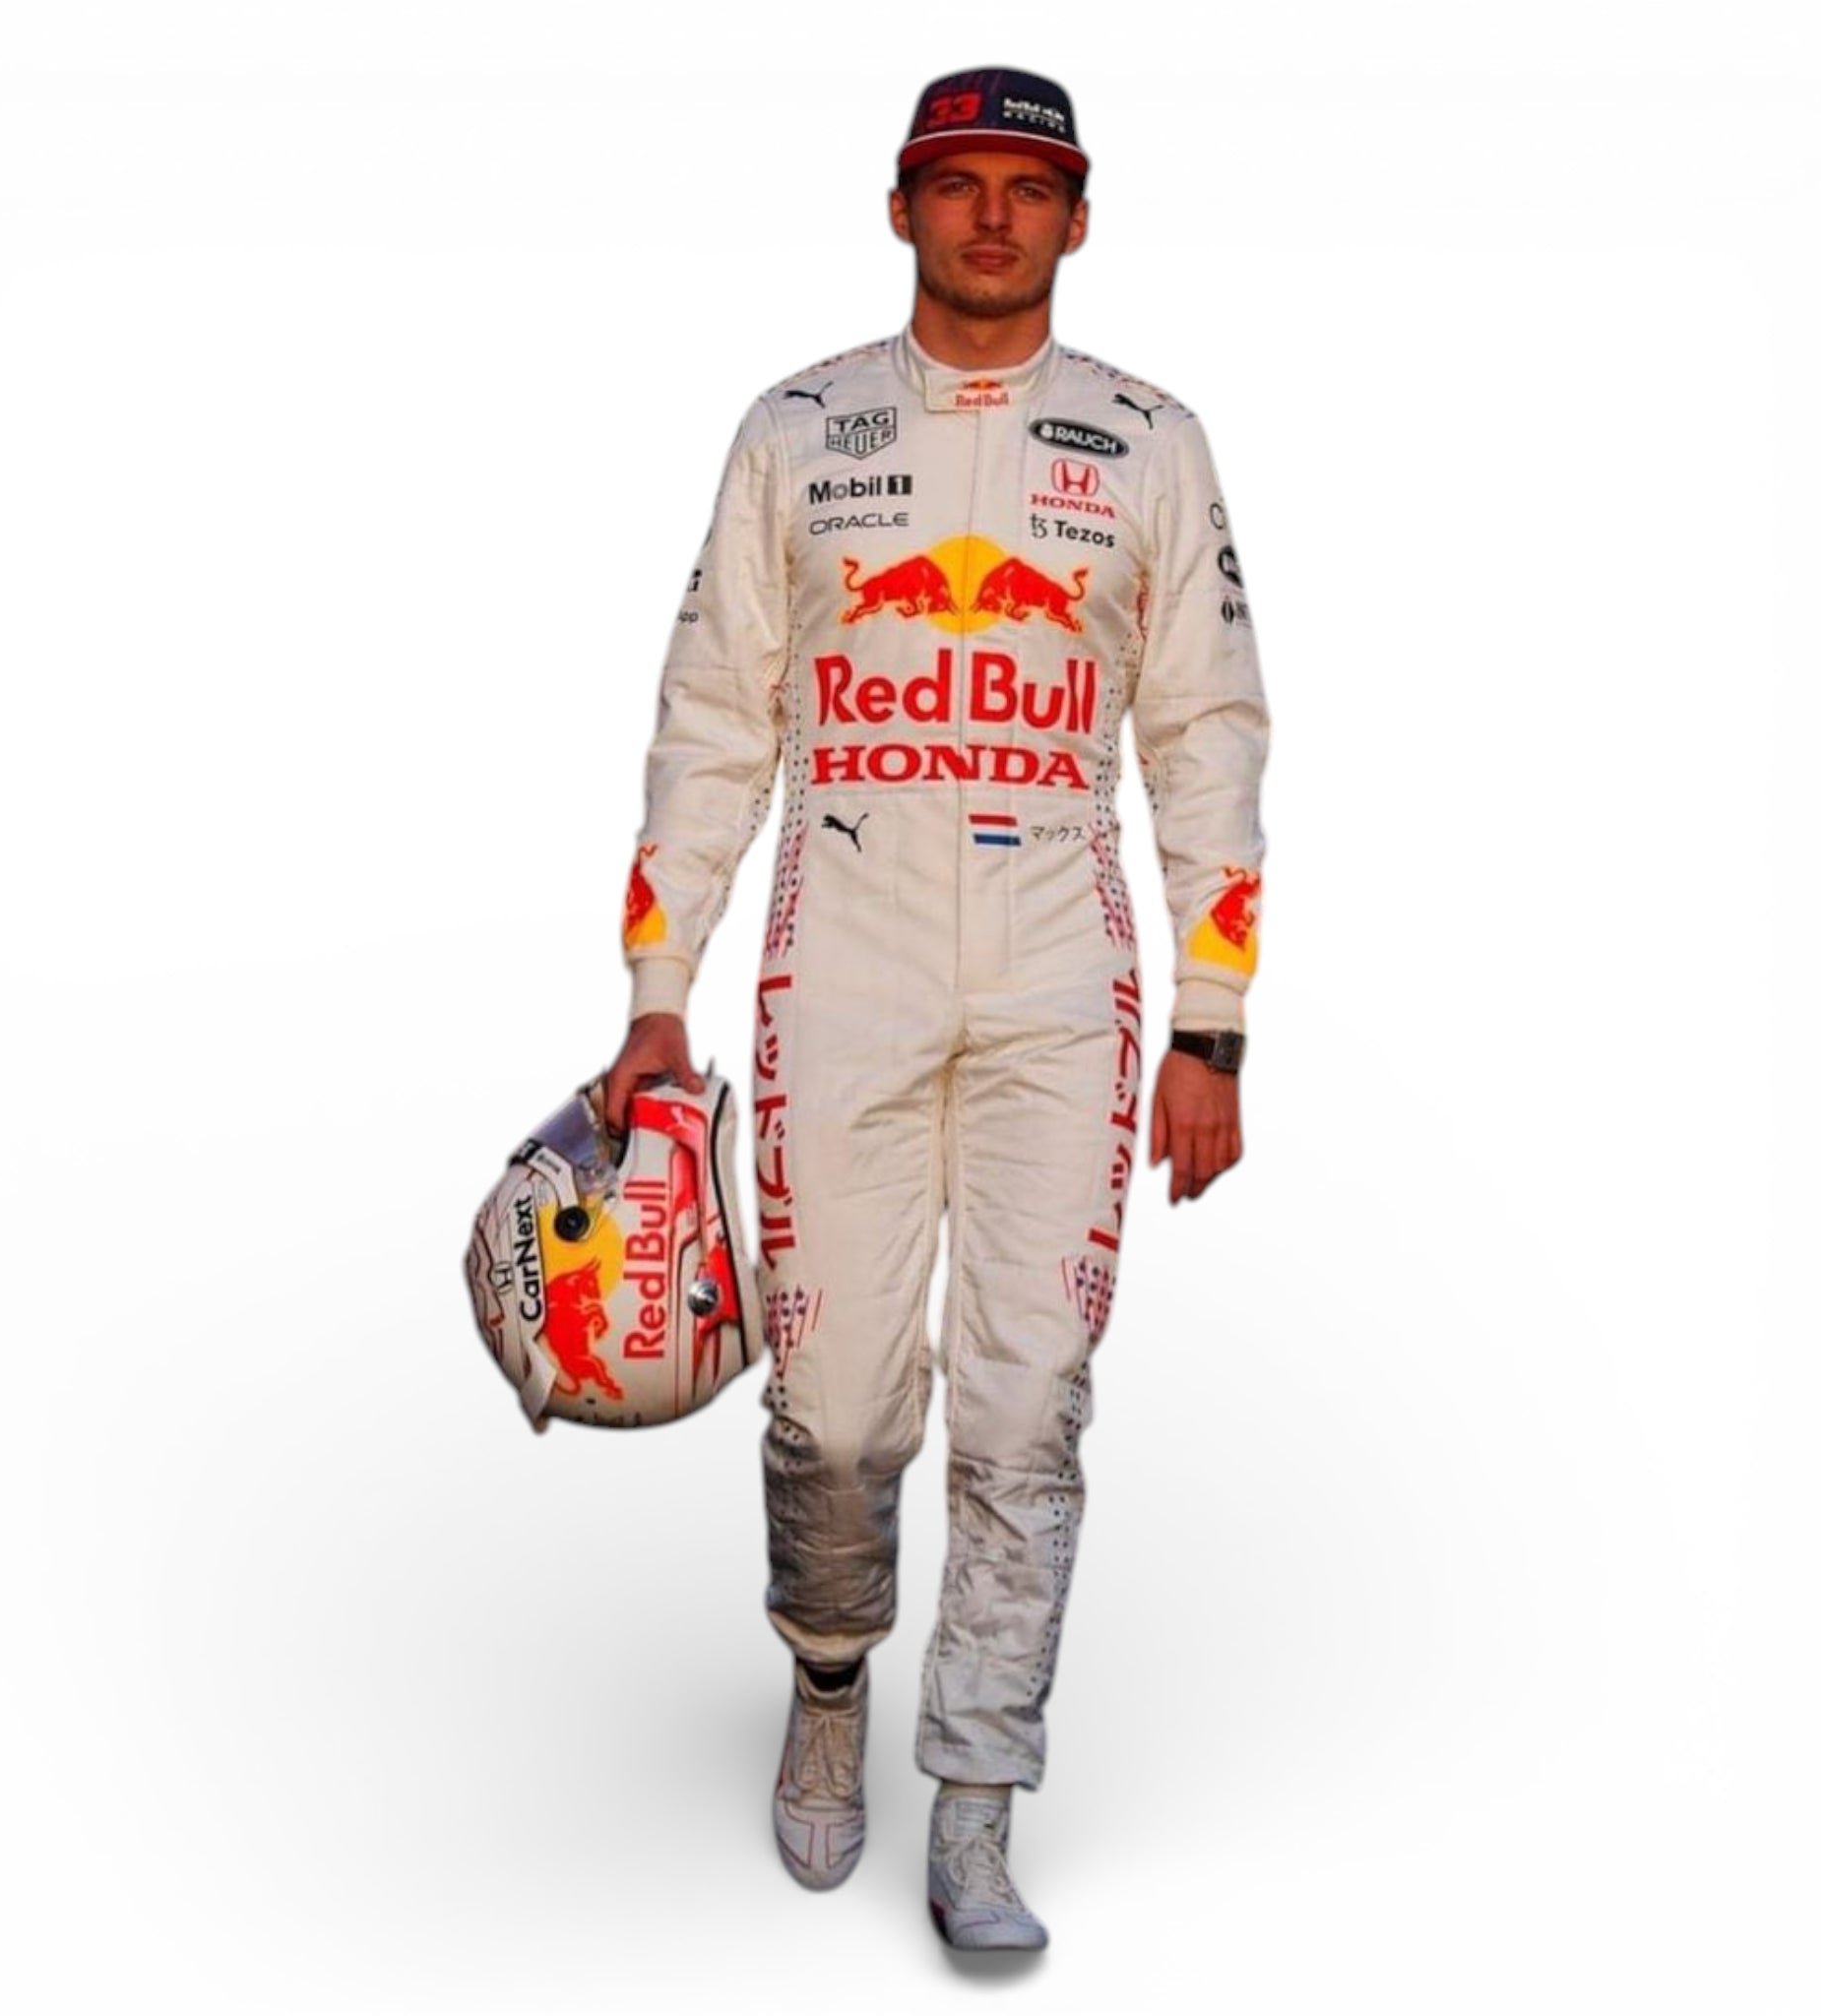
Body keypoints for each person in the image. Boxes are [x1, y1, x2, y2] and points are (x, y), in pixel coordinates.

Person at [605, 67, 1268, 1952]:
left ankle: (978, 1795)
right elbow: (712, 717)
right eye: (959, 184)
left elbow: (1208, 732)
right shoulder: (797, 429)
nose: (993, 217)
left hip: (1063, 957)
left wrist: (1212, 1024)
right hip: (849, 946)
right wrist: (657, 994)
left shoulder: (1149, 443)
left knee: (1030, 1401)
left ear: (1078, 217)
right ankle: (829, 1675)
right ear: (900, 207)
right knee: (832, 1408)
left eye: (1028, 188)